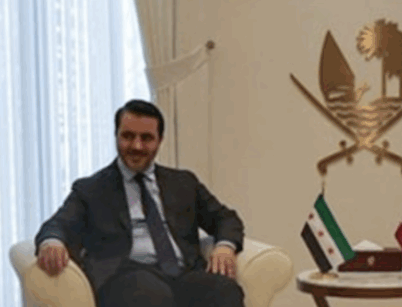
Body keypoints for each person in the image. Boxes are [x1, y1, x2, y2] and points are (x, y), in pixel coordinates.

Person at [35, 100, 245, 307]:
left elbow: (225, 218)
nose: (136, 146)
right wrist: (53, 242)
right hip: (125, 277)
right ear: (116, 136)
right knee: (150, 294)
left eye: (146, 138)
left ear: (160, 140)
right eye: (128, 136)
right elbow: (58, 224)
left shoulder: (184, 183)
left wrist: (224, 247)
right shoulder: (91, 189)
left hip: (184, 275)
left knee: (224, 290)